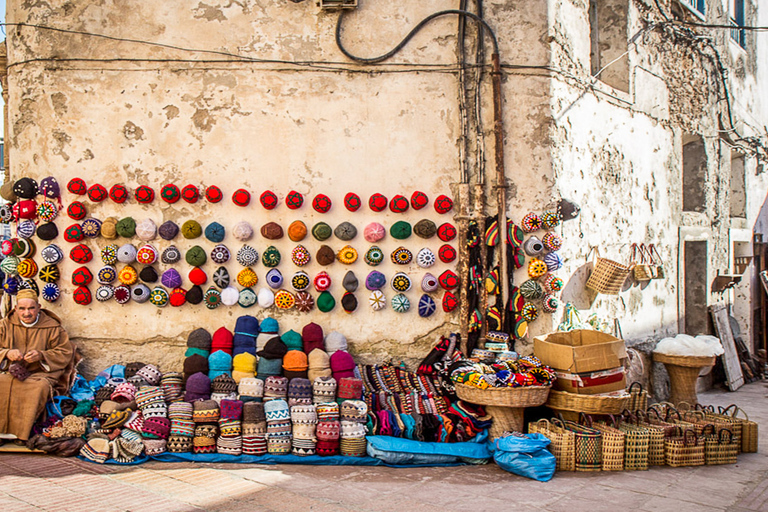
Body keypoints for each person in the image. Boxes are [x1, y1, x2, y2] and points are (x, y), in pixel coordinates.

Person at [0, 288, 75, 443]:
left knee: (37, 388)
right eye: (22, 309)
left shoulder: (53, 327)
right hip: (11, 371)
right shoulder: (5, 325)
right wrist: (6, 353)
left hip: (41, 373)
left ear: (39, 307)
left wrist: (42, 355)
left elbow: (64, 353)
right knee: (3, 383)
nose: (27, 313)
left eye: (31, 308)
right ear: (16, 309)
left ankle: (21, 434)